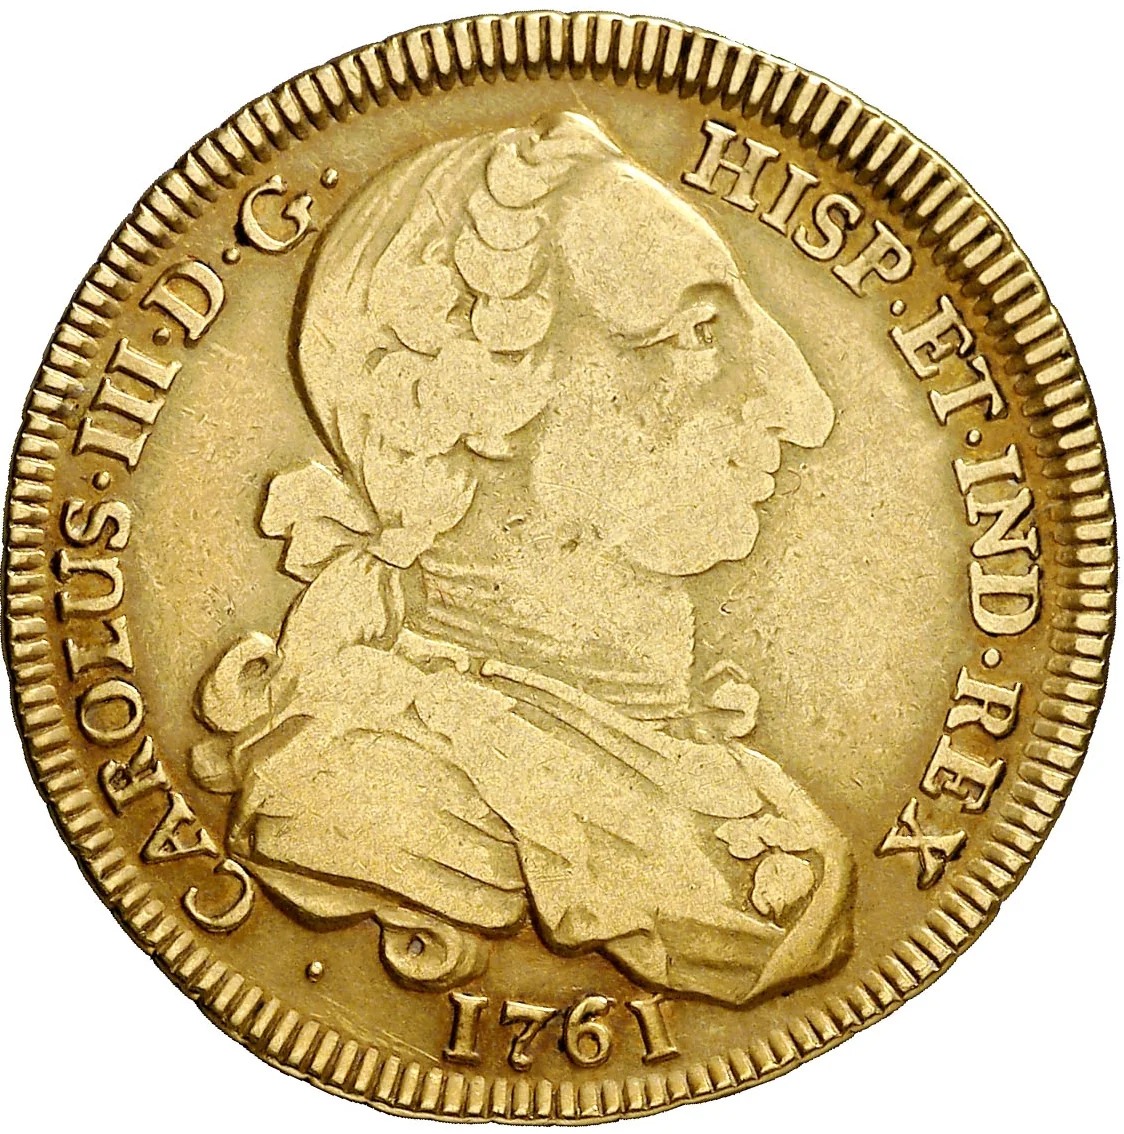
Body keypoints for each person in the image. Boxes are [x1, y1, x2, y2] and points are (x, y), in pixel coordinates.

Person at [190, 111, 854, 1007]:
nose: (802, 409)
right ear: (483, 397)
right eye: (697, 333)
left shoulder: (717, 769)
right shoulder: (373, 795)